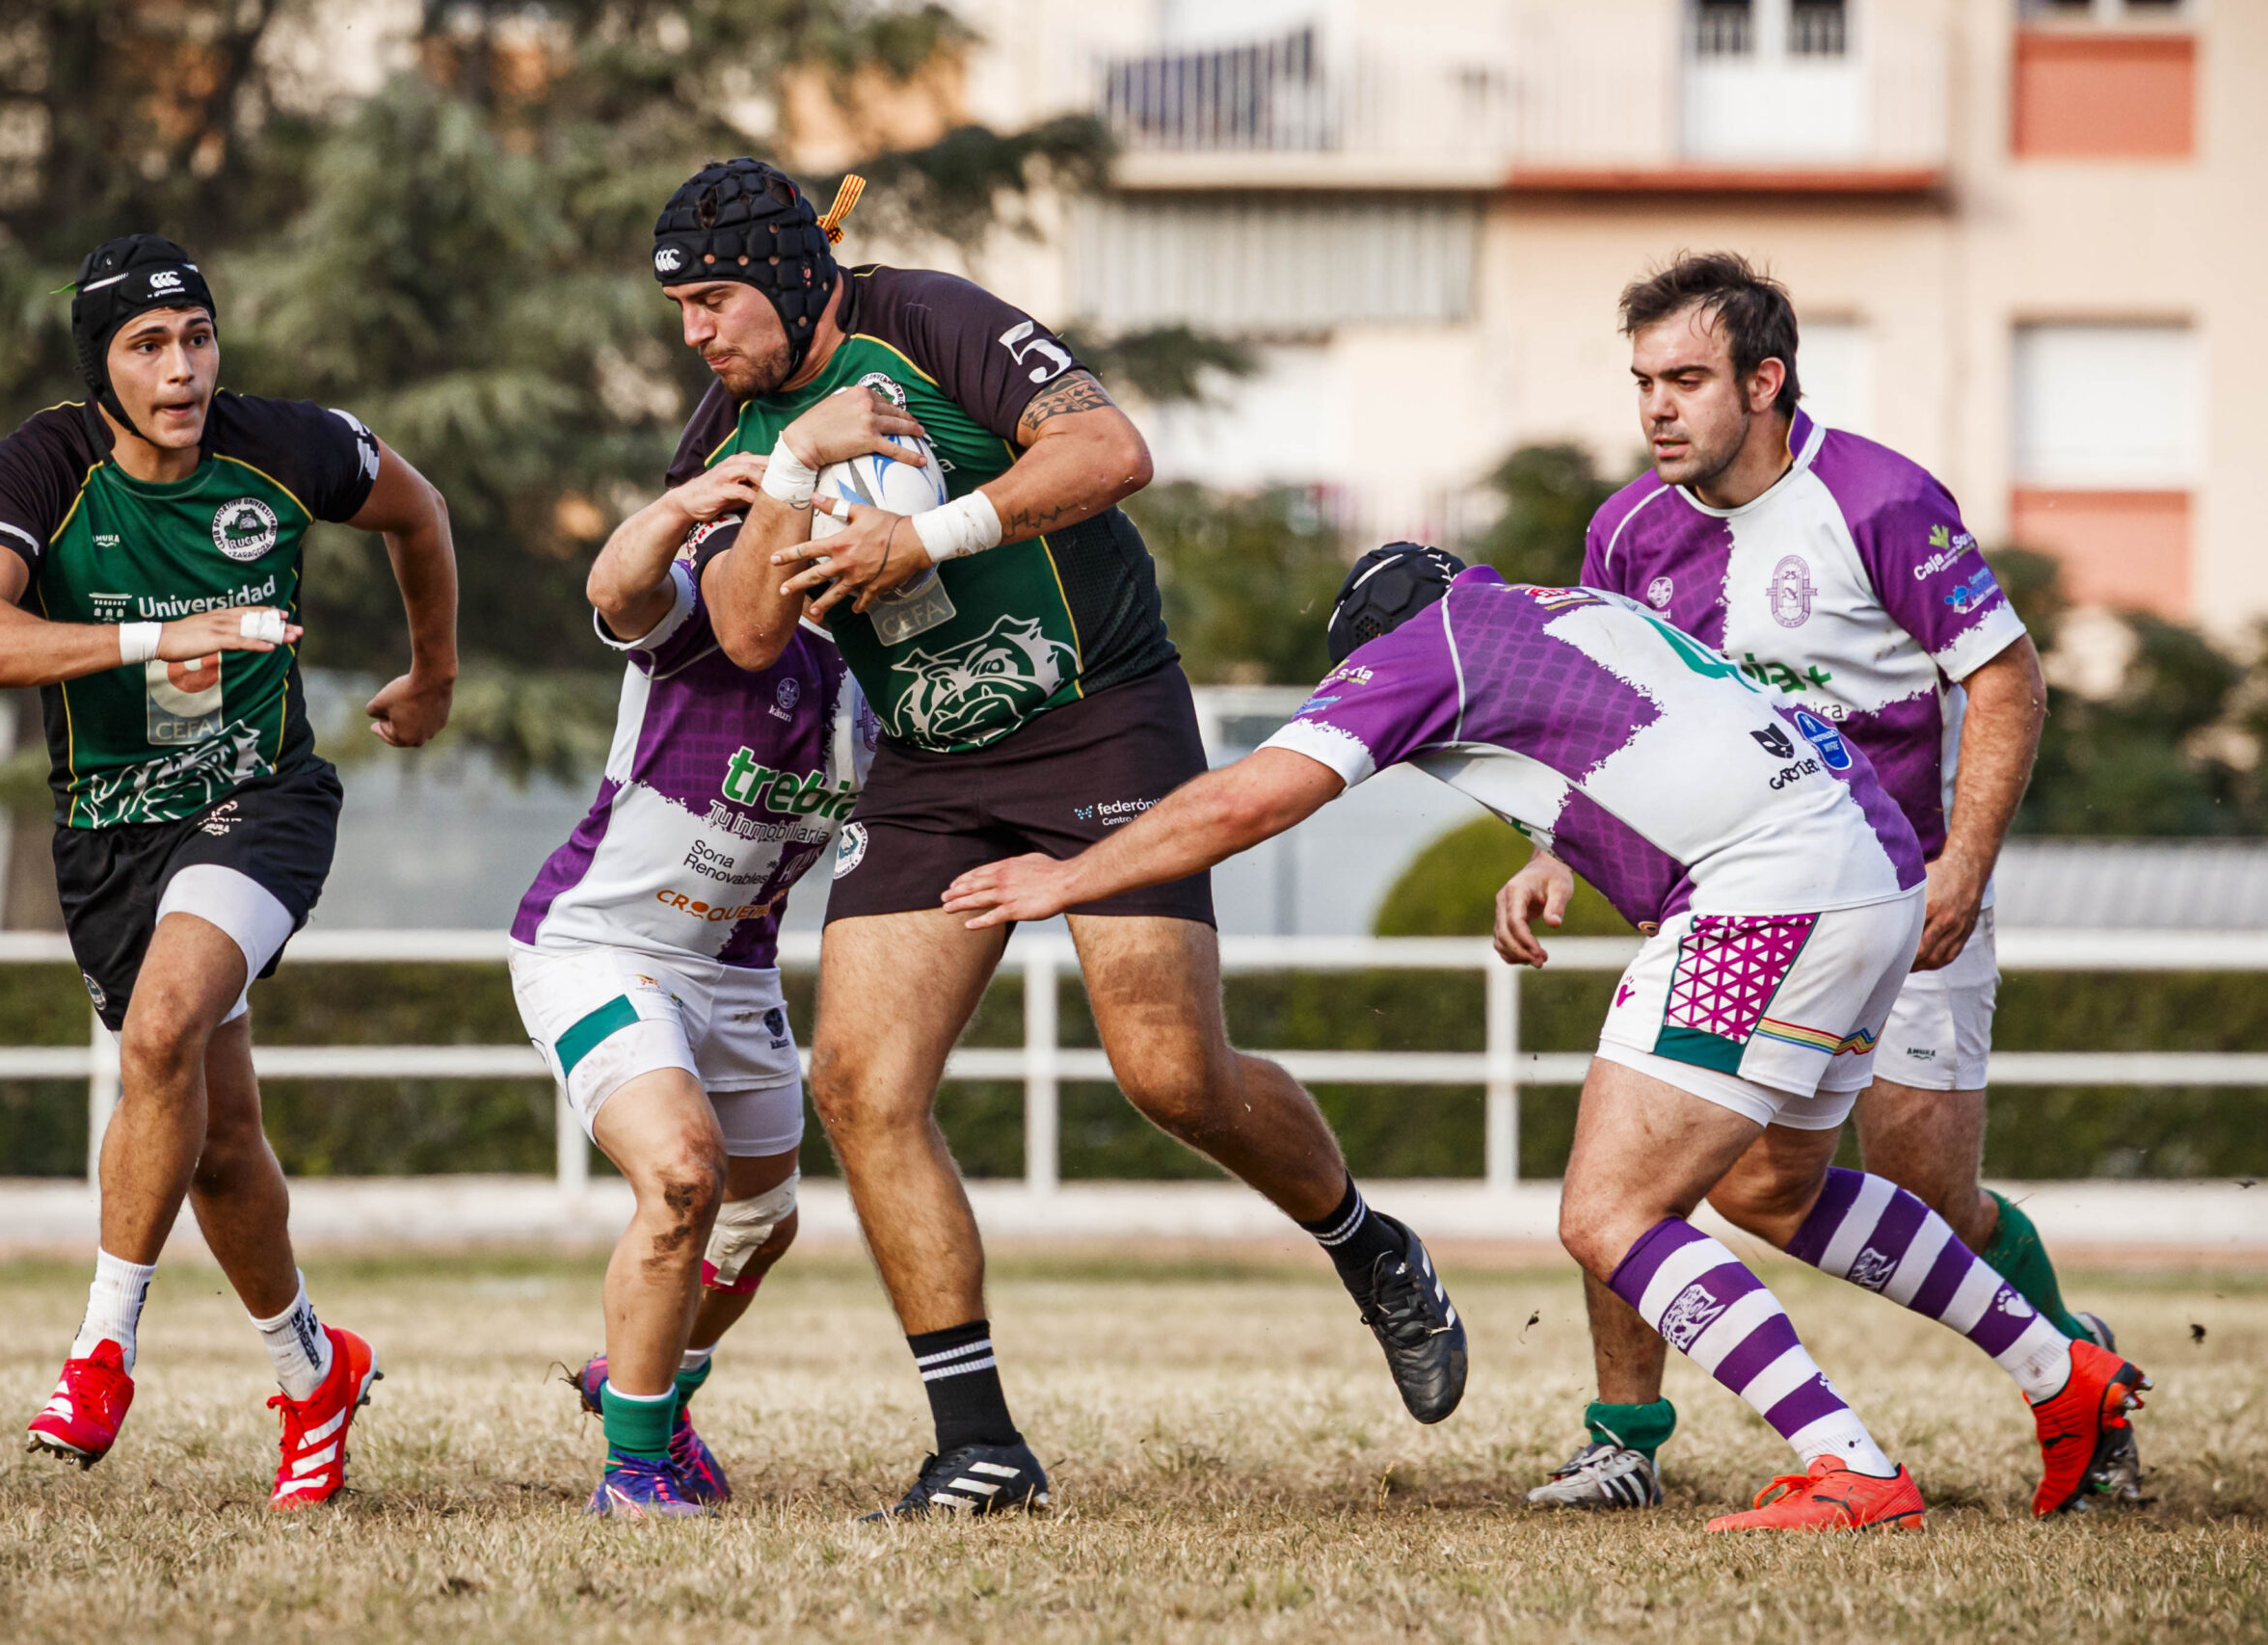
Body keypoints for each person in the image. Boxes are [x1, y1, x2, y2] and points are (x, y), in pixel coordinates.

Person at [944, 544, 2151, 1531]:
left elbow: (1249, 795)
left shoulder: (1422, 651)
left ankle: (1848, 1465)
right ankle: (2063, 1371)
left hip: (1761, 897)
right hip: (1870, 865)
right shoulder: (1568, 607)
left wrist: (1068, 878)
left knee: (1608, 1218)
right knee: (1777, 1190)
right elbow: (1630, 749)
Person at [650, 158, 1466, 1519]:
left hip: (1101, 718)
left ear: (796, 274)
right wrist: (787, 467)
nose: (694, 332)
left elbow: (1110, 452)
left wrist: (931, 543)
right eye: (678, 306)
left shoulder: (935, 317)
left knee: (1169, 1073)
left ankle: (1366, 1240)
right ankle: (979, 1440)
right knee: (857, 1083)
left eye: (714, 299)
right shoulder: (738, 421)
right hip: (926, 761)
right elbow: (741, 630)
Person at [1508, 251, 2135, 1511]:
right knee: (1639, 1158)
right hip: (1732, 899)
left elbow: (2006, 681)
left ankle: (2081, 1381)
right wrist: (1553, 846)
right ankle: (1624, 1430)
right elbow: (1610, 711)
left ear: (1765, 378)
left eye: (1686, 378)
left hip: (1906, 894)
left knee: (1925, 1186)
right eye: (1643, 382)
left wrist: (1965, 859)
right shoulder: (1627, 530)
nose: (1657, 408)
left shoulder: (1883, 500)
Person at [0, 234, 459, 1509]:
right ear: (100, 370)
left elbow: (419, 509)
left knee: (160, 1030)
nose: (182, 368)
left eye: (198, 336)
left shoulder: (287, 445)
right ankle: (312, 1368)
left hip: (260, 802)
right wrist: (171, 631)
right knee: (212, 1146)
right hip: (109, 832)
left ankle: (102, 1345)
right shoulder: (43, 464)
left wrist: (434, 671)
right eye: (148, 347)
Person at [506, 448, 867, 1519]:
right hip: (600, 947)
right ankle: (633, 1469)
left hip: (736, 969)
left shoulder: (873, 691)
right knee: (679, 1182)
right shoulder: (704, 631)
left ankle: (648, 1381)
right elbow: (616, 589)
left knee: (762, 1224)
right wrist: (674, 508)